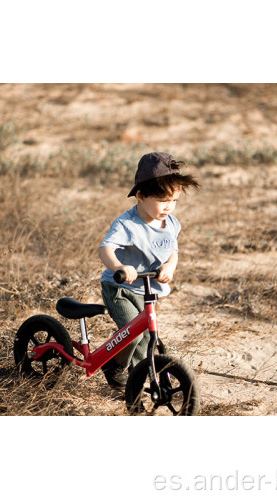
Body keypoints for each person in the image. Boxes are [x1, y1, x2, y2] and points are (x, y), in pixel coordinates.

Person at [98, 151, 200, 389]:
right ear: (141, 196)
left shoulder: (171, 224)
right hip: (120, 288)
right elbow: (105, 249)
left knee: (146, 338)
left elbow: (173, 251)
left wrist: (169, 267)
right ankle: (114, 365)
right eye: (164, 200)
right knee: (131, 331)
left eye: (174, 201)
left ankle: (139, 378)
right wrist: (119, 267)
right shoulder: (127, 224)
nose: (169, 207)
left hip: (147, 288)